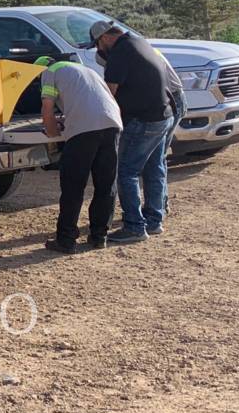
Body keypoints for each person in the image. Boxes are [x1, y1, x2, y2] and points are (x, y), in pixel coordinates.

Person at [92, 20, 174, 243]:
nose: (99, 50)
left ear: (106, 37)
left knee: (126, 172)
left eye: (98, 44)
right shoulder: (139, 42)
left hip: (142, 121)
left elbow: (110, 93)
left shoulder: (120, 51)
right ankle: (154, 221)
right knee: (154, 168)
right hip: (163, 115)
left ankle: (134, 227)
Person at [35, 55, 122, 253]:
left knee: (73, 185)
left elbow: (47, 110)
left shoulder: (50, 71)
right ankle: (99, 236)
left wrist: (53, 133)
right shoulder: (85, 70)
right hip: (112, 124)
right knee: (106, 184)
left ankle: (66, 240)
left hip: (84, 130)